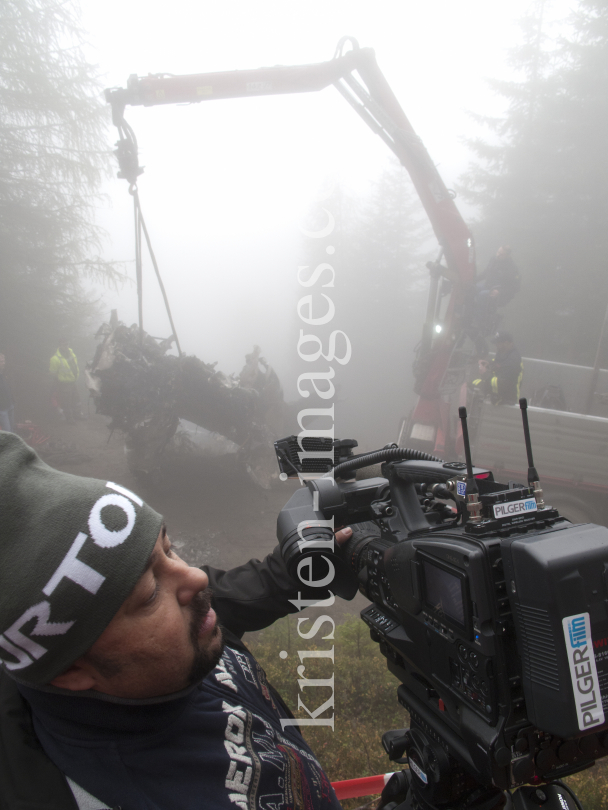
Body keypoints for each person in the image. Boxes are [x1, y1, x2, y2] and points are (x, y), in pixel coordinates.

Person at [0, 431, 355, 810]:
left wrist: (297, 570)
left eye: (169, 549)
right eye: (151, 592)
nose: (195, 578)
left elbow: (234, 592)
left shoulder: (164, 639)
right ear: (71, 669)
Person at [474, 246, 521, 335]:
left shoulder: (512, 268)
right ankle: (471, 315)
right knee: (473, 289)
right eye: (498, 252)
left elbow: (515, 287)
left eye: (501, 254)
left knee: (482, 295)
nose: (498, 255)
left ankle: (480, 322)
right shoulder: (494, 260)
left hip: (500, 295)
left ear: (507, 256)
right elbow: (486, 272)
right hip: (488, 286)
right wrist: (473, 281)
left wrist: (500, 292)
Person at [471, 331, 523, 406]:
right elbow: (498, 364)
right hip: (496, 396)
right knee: (472, 385)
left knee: (477, 386)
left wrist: (485, 375)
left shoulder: (513, 360)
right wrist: (488, 364)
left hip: (506, 400)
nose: (496, 345)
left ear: (506, 343)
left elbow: (502, 383)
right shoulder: (503, 353)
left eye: (498, 343)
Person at [49, 339, 82, 423]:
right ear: (59, 345)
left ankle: (77, 415)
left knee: (76, 399)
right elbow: (52, 373)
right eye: (64, 345)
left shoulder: (71, 353)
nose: (66, 346)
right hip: (64, 384)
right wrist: (60, 380)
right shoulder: (55, 359)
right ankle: (69, 418)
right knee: (66, 402)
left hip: (73, 381)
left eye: (67, 344)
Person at [0, 353, 15, 432]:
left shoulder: (3, 374)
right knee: (7, 431)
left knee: (12, 429)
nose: (4, 363)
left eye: (4, 361)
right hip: (2, 409)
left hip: (10, 406)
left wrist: (12, 402)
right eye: (1, 361)